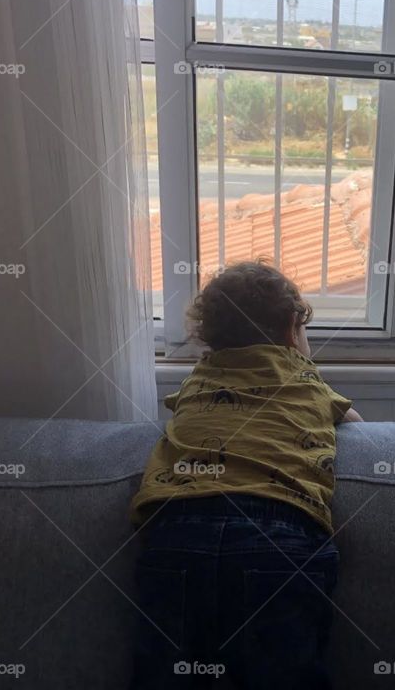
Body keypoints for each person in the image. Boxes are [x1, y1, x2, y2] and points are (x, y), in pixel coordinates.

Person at [129, 261, 362, 689]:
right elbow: (359, 427)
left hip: (176, 532)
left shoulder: (199, 381)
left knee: (165, 673)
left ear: (209, 341)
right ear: (294, 328)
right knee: (283, 671)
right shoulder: (305, 378)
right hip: (278, 535)